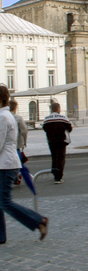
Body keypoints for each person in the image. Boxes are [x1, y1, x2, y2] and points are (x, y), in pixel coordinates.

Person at [0, 85, 48, 244]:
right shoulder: (6, 115)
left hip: (5, 164)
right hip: (7, 162)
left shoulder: (3, 117)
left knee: (4, 202)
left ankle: (38, 220)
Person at [43, 102, 72, 184]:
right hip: (61, 141)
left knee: (54, 157)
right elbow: (69, 128)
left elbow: (44, 128)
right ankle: (58, 177)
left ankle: (54, 172)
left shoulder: (46, 119)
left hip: (51, 141)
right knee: (61, 158)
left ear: (51, 109)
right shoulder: (64, 118)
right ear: (58, 108)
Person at [9, 99, 28, 185]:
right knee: (17, 161)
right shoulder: (18, 118)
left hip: (6, 145)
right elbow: (24, 131)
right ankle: (16, 177)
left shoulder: (2, 116)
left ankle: (12, 177)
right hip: (16, 144)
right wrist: (24, 142)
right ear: (15, 108)